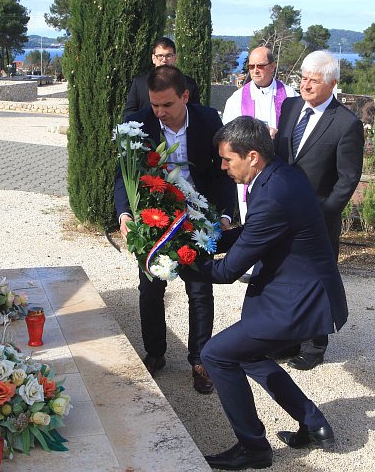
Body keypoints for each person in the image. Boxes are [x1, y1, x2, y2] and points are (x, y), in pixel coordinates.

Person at [180, 116, 347, 470]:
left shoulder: (271, 193)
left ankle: (253, 447)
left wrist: (182, 262)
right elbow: (252, 233)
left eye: (228, 159)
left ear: (252, 156)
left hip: (300, 301)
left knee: (217, 355)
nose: (222, 167)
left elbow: (227, 272)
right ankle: (313, 422)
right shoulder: (277, 176)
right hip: (292, 289)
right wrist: (203, 242)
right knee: (248, 354)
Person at [114, 65, 237, 394]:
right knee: (150, 289)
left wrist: (224, 216)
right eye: (155, 105)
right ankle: (155, 352)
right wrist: (125, 214)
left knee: (199, 291)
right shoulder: (139, 123)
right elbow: (122, 174)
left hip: (198, 218)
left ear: (184, 96)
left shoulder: (209, 120)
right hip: (155, 218)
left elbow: (224, 173)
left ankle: (200, 359)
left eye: (167, 105)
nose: (160, 113)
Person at [273, 49, 364, 371]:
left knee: (315, 280)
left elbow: (347, 178)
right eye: (303, 79)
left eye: (313, 80)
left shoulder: (346, 124)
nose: (306, 86)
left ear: (332, 84)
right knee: (284, 277)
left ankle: (315, 346)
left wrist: (322, 214)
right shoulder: (290, 106)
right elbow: (281, 156)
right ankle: (287, 339)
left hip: (318, 220)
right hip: (281, 214)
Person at [221, 46, 296, 225]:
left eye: (260, 66)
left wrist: (278, 135)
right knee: (254, 222)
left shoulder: (290, 96)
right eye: (251, 66)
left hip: (280, 167)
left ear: (272, 66)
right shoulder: (237, 99)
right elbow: (227, 136)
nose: (255, 70)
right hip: (250, 170)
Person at [124, 37, 200, 118]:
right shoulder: (139, 83)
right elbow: (129, 112)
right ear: (153, 58)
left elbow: (195, 113)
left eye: (168, 56)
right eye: (160, 56)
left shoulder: (189, 83)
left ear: (175, 58)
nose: (164, 60)